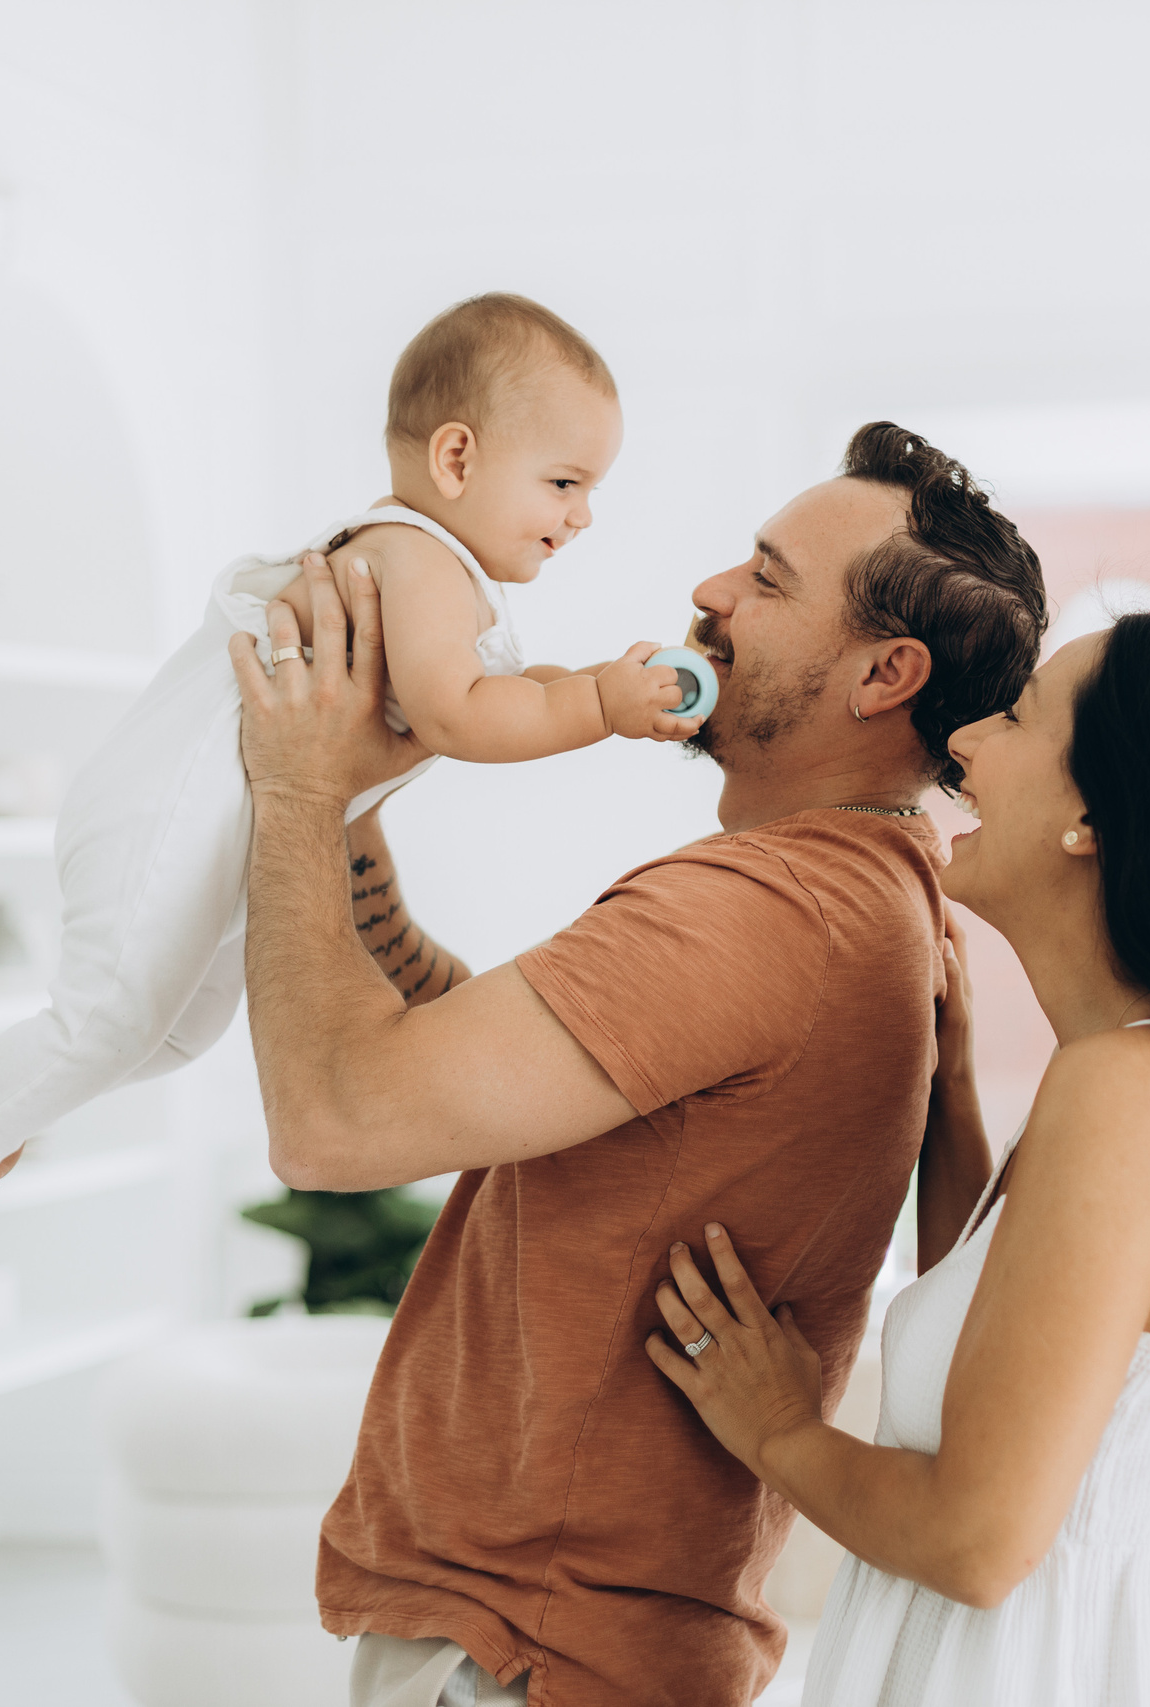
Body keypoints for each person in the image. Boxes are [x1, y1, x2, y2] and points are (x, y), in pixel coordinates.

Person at [221, 424, 1047, 1705]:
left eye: (768, 580)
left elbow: (331, 1123)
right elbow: (497, 1076)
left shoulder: (774, 909)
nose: (712, 594)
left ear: (885, 674)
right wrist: (348, 820)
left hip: (526, 1657)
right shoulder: (869, 898)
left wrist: (287, 788)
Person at [647, 612, 1150, 1704]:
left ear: (1090, 814)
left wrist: (777, 1429)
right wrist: (949, 1092)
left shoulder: (1128, 1095)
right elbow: (1010, 1350)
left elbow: (976, 1538)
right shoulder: (1149, 1077)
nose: (963, 742)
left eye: (1016, 715)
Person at [0, 293, 696, 1250]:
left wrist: (598, 682)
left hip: (222, 835)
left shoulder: (440, 573)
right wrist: (601, 706)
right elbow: (460, 711)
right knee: (112, 1016)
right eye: (564, 482)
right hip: (169, 808)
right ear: (457, 458)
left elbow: (502, 685)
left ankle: (6, 1106)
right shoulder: (415, 558)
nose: (585, 514)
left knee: (177, 1031)